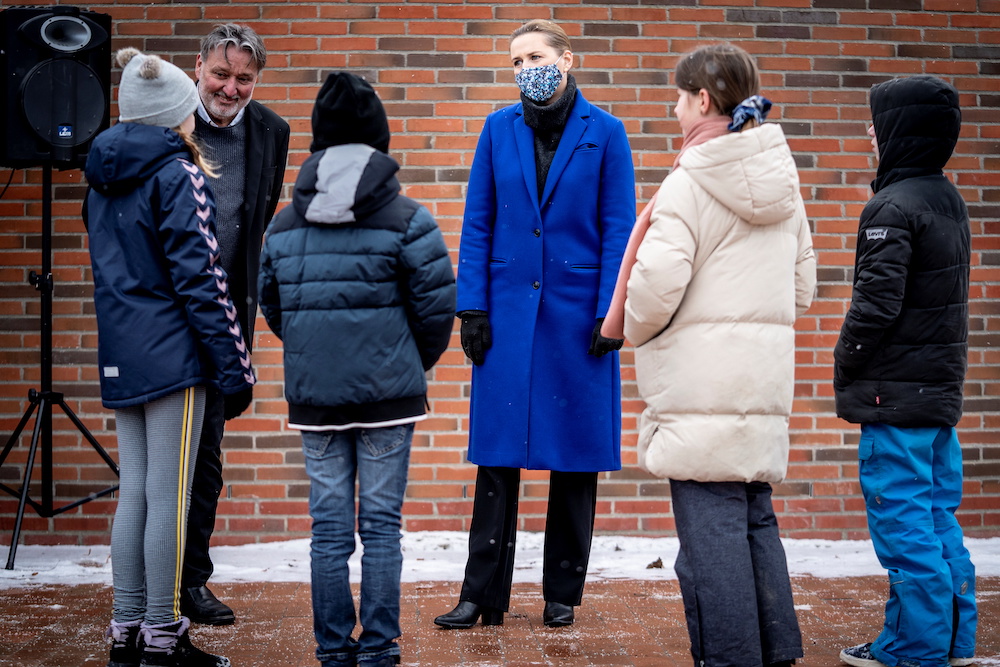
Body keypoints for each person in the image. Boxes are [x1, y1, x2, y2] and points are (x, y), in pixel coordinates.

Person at [434, 19, 636, 631]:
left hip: (579, 317)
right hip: (507, 317)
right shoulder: (498, 129)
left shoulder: (606, 133)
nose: (527, 68)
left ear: (567, 60)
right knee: (497, 456)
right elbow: (478, 222)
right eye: (517, 59)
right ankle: (481, 594)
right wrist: (471, 306)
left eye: (537, 56)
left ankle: (561, 593)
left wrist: (611, 312)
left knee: (573, 456)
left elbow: (618, 231)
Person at [617, 44, 815, 667]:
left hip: (700, 393)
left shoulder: (688, 182)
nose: (675, 108)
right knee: (756, 524)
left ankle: (731, 659)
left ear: (702, 100)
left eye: (678, 97)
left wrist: (640, 334)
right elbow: (803, 288)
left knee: (710, 543)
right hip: (760, 389)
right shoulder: (783, 179)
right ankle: (777, 654)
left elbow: (650, 293)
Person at [258, 72, 456, 667]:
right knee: (380, 527)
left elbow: (273, 304)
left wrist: (313, 350)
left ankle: (331, 648)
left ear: (317, 143)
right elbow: (437, 306)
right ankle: (378, 648)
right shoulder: (409, 217)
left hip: (316, 398)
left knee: (328, 531)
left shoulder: (284, 224)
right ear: (379, 141)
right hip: (389, 398)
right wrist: (407, 362)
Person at [85, 48, 255, 667]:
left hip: (123, 353)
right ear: (172, 114)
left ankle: (126, 628)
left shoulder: (100, 177)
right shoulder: (177, 174)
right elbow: (202, 281)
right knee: (171, 497)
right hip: (176, 358)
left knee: (135, 494)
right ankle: (163, 631)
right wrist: (233, 367)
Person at [835, 76, 977, 667]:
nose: (871, 133)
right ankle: (953, 641)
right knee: (937, 516)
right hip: (936, 396)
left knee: (903, 525)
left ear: (901, 130)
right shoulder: (946, 197)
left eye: (878, 122)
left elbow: (876, 305)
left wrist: (847, 358)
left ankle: (915, 648)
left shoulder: (892, 206)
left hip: (894, 398)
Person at [182, 22, 290, 626]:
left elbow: (256, 225)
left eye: (243, 78)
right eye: (221, 73)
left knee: (209, 458)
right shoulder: (165, 124)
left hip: (225, 324)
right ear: (198, 66)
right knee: (165, 460)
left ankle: (192, 582)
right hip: (168, 321)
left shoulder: (271, 132)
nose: (230, 88)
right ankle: (153, 584)